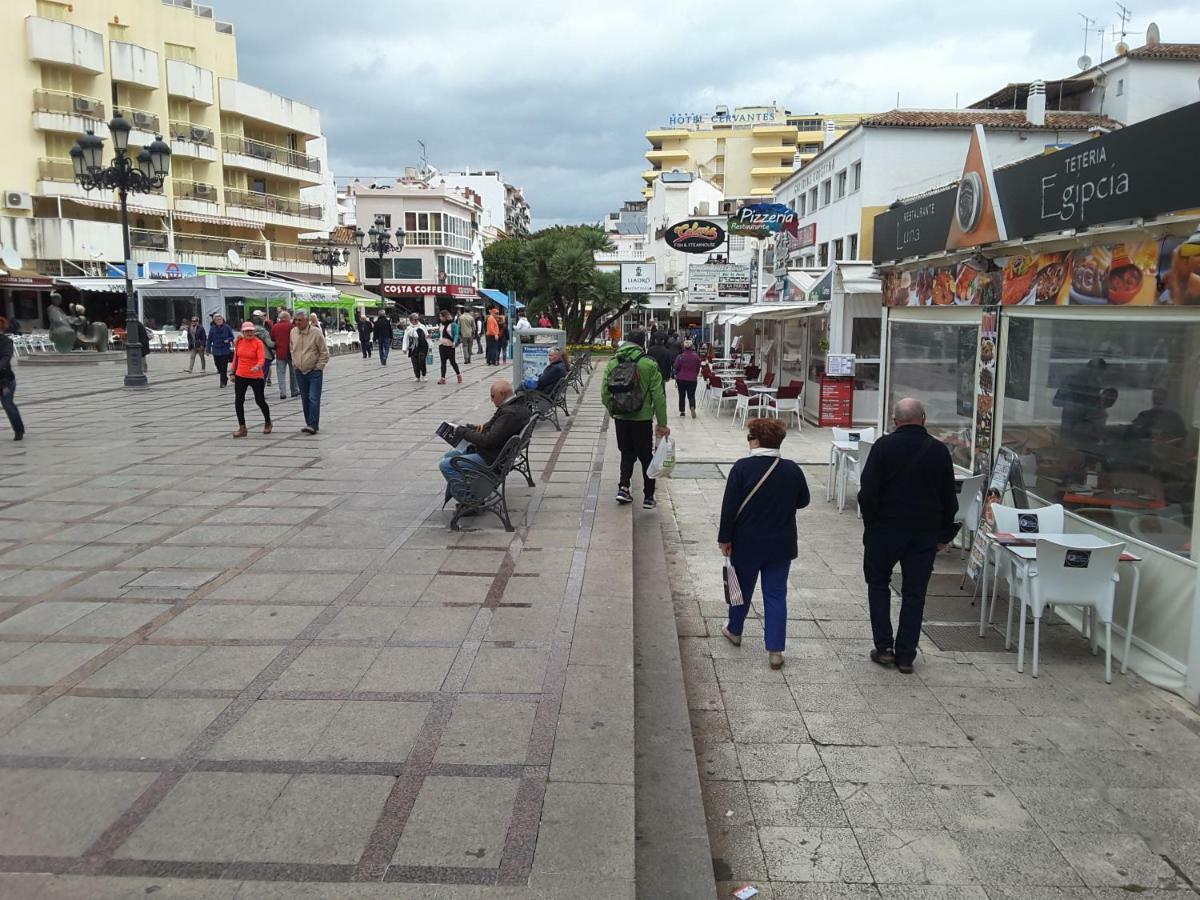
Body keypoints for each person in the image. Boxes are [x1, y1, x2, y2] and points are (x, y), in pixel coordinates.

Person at [857, 398, 958, 674]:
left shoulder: (883, 447)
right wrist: (944, 534)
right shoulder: (938, 451)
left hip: (885, 530)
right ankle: (905, 655)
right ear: (923, 418)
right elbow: (950, 498)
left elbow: (867, 493)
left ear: (895, 420)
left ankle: (884, 647)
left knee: (878, 584)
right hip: (923, 534)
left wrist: (872, 525)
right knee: (915, 593)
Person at [718, 417, 810, 669]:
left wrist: (724, 538)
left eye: (749, 437)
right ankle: (775, 650)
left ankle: (734, 629)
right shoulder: (792, 469)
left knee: (741, 591)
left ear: (756, 441)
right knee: (776, 594)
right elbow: (803, 500)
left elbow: (729, 508)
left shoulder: (741, 468)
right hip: (781, 544)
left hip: (746, 543)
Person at [601, 329, 669, 509]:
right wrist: (662, 423)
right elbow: (659, 396)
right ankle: (648, 497)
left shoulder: (613, 363)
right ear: (642, 343)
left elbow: (604, 394)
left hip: (621, 418)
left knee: (626, 453)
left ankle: (623, 488)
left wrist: (614, 410)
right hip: (642, 419)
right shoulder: (648, 364)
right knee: (646, 456)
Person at [439, 379, 531, 502]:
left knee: (446, 465)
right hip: (499, 454)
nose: (491, 399)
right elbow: (491, 428)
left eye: (493, 396)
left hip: (492, 459)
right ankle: (471, 487)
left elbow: (488, 440)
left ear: (502, 394)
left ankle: (471, 500)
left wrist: (464, 432)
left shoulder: (509, 413)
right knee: (449, 455)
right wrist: (470, 428)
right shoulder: (514, 406)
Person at [291, 310, 329, 435]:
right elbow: (292, 348)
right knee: (305, 398)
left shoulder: (316, 332)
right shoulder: (293, 332)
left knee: (313, 398)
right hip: (299, 370)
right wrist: (294, 363)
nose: (297, 322)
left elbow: (324, 352)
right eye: (295, 320)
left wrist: (319, 366)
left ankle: (313, 424)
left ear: (307, 320)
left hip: (314, 371)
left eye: (300, 320)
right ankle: (309, 423)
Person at [231, 321, 272, 437]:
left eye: (251, 330)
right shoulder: (239, 342)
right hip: (241, 375)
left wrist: (258, 366)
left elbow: (261, 358)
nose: (249, 333)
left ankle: (268, 422)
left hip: (256, 376)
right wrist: (232, 372)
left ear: (254, 331)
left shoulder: (258, 343)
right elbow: (236, 358)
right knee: (238, 401)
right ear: (242, 332)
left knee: (260, 400)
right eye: (247, 331)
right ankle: (242, 427)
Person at [0, 316, 25, 441]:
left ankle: (19, 430)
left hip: (5, 381)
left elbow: (6, 357)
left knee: (7, 404)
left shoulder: (5, 341)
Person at [269, 310, 298, 400]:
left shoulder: (275, 327)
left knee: (280, 373)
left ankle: (282, 393)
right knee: (293, 373)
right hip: (291, 353)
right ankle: (294, 391)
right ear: (286, 317)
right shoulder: (292, 327)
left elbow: (272, 339)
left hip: (280, 353)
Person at [673, 339, 701, 418]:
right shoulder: (696, 356)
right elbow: (698, 367)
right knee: (691, 395)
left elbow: (675, 367)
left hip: (681, 378)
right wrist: (695, 374)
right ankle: (692, 407)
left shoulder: (680, 356)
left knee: (682, 395)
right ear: (692, 347)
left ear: (684, 347)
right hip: (692, 379)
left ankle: (682, 411)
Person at [207, 313, 235, 387]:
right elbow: (209, 339)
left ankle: (222, 382)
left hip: (225, 349)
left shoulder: (227, 327)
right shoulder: (212, 328)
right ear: (214, 321)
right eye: (217, 320)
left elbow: (232, 337)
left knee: (224, 366)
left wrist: (228, 340)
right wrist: (207, 349)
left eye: (220, 319)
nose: (219, 321)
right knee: (218, 365)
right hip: (216, 350)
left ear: (222, 320)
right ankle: (224, 377)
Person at [435, 309, 462, 384]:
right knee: (443, 362)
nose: (440, 318)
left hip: (450, 346)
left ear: (445, 317)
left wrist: (454, 342)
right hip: (442, 345)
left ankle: (458, 375)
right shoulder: (441, 324)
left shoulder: (453, 324)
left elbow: (456, 334)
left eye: (441, 316)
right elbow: (440, 334)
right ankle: (443, 378)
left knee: (452, 362)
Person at [401, 313, 429, 381]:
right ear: (411, 320)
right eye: (415, 319)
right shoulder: (408, 328)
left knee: (421, 361)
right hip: (413, 348)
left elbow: (427, 336)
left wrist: (430, 346)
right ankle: (417, 376)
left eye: (417, 319)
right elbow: (405, 338)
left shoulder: (422, 326)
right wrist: (404, 348)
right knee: (415, 362)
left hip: (422, 346)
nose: (416, 321)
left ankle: (424, 375)